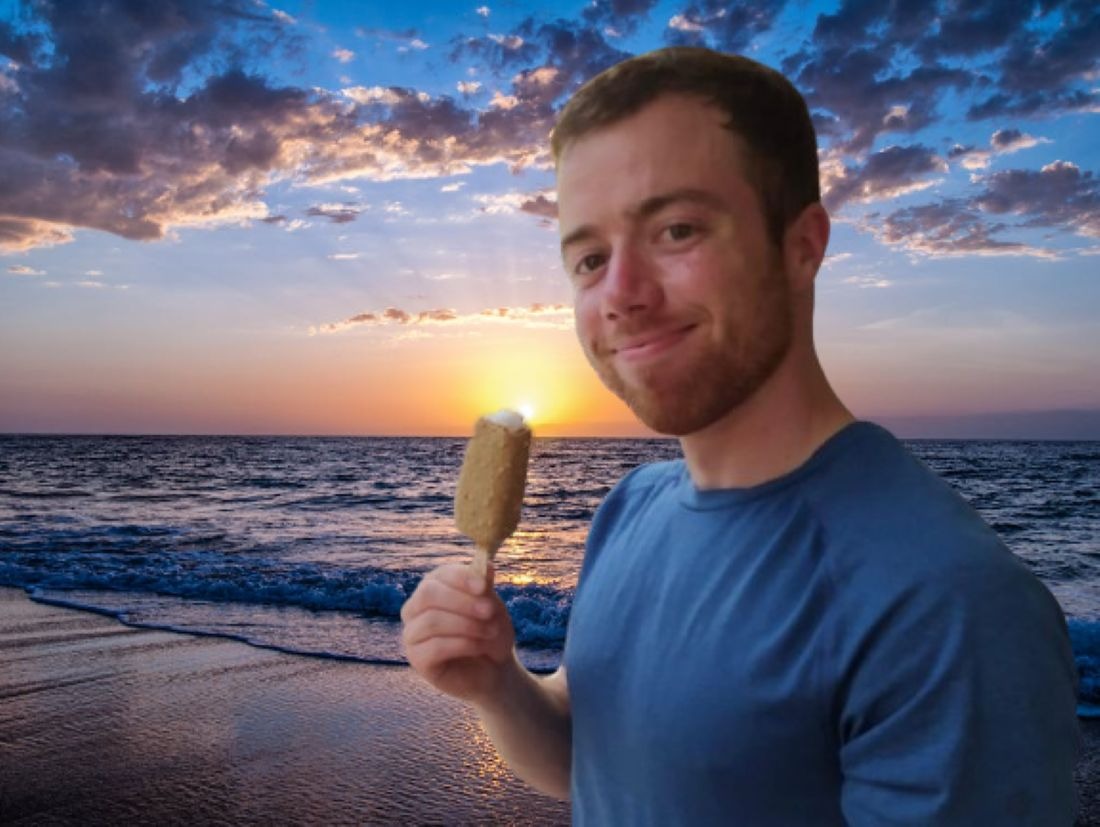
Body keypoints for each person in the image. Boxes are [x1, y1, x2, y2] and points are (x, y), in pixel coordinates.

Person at [400, 47, 1080, 824]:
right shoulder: (630, 507)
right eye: (589, 258)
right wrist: (498, 684)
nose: (620, 294)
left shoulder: (944, 603)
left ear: (802, 245)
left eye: (676, 229)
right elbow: (592, 764)